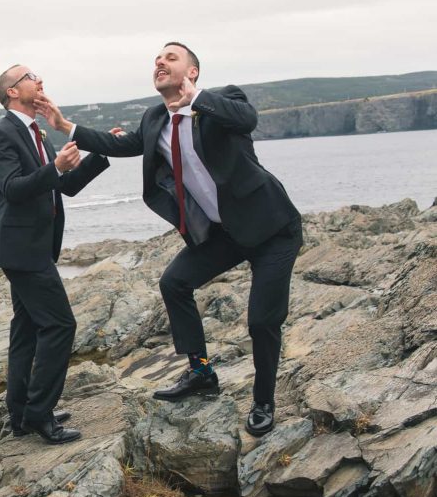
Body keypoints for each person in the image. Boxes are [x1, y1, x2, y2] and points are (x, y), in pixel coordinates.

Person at [35, 42, 302, 437]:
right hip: (225, 234)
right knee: (174, 282)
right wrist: (63, 125)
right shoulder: (155, 118)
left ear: (191, 72)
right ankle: (201, 372)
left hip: (272, 228)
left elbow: (246, 119)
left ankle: (264, 400)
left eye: (170, 58)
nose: (159, 62)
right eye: (156, 59)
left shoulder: (222, 100)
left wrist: (196, 99)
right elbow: (120, 144)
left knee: (262, 320)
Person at [0, 65, 110, 444]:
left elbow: (64, 186)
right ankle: (40, 413)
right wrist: (53, 167)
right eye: (29, 76)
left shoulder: (36, 133)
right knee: (60, 326)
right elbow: (13, 189)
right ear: (12, 92)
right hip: (21, 249)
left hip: (37, 246)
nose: (39, 79)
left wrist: (98, 154)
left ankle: (21, 411)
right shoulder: (1, 133)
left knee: (27, 331)